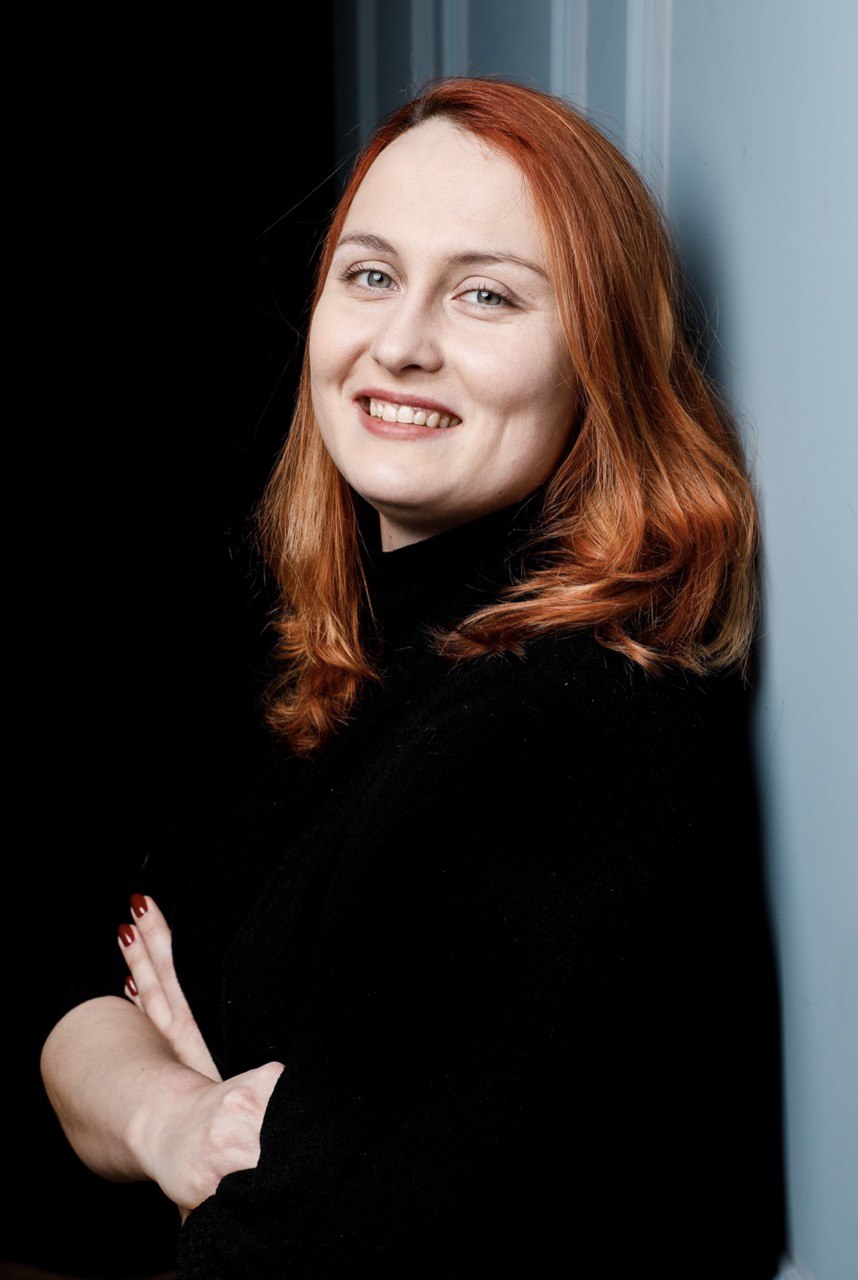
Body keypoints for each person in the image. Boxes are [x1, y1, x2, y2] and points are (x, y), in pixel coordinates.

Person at [40, 78, 785, 1277]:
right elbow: (77, 998)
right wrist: (178, 1118)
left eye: (486, 293)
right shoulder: (344, 649)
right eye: (372, 274)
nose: (399, 343)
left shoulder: (561, 728)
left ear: (599, 359)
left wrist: (203, 1164)